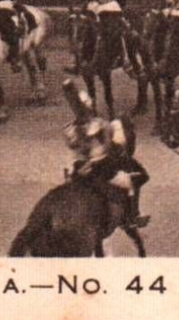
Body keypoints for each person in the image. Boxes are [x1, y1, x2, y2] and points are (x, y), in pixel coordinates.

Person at [62, 79, 150, 229]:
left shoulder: (69, 129)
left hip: (77, 169)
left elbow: (73, 147)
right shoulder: (100, 124)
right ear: (90, 108)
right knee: (130, 183)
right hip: (101, 168)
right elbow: (108, 147)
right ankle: (132, 217)